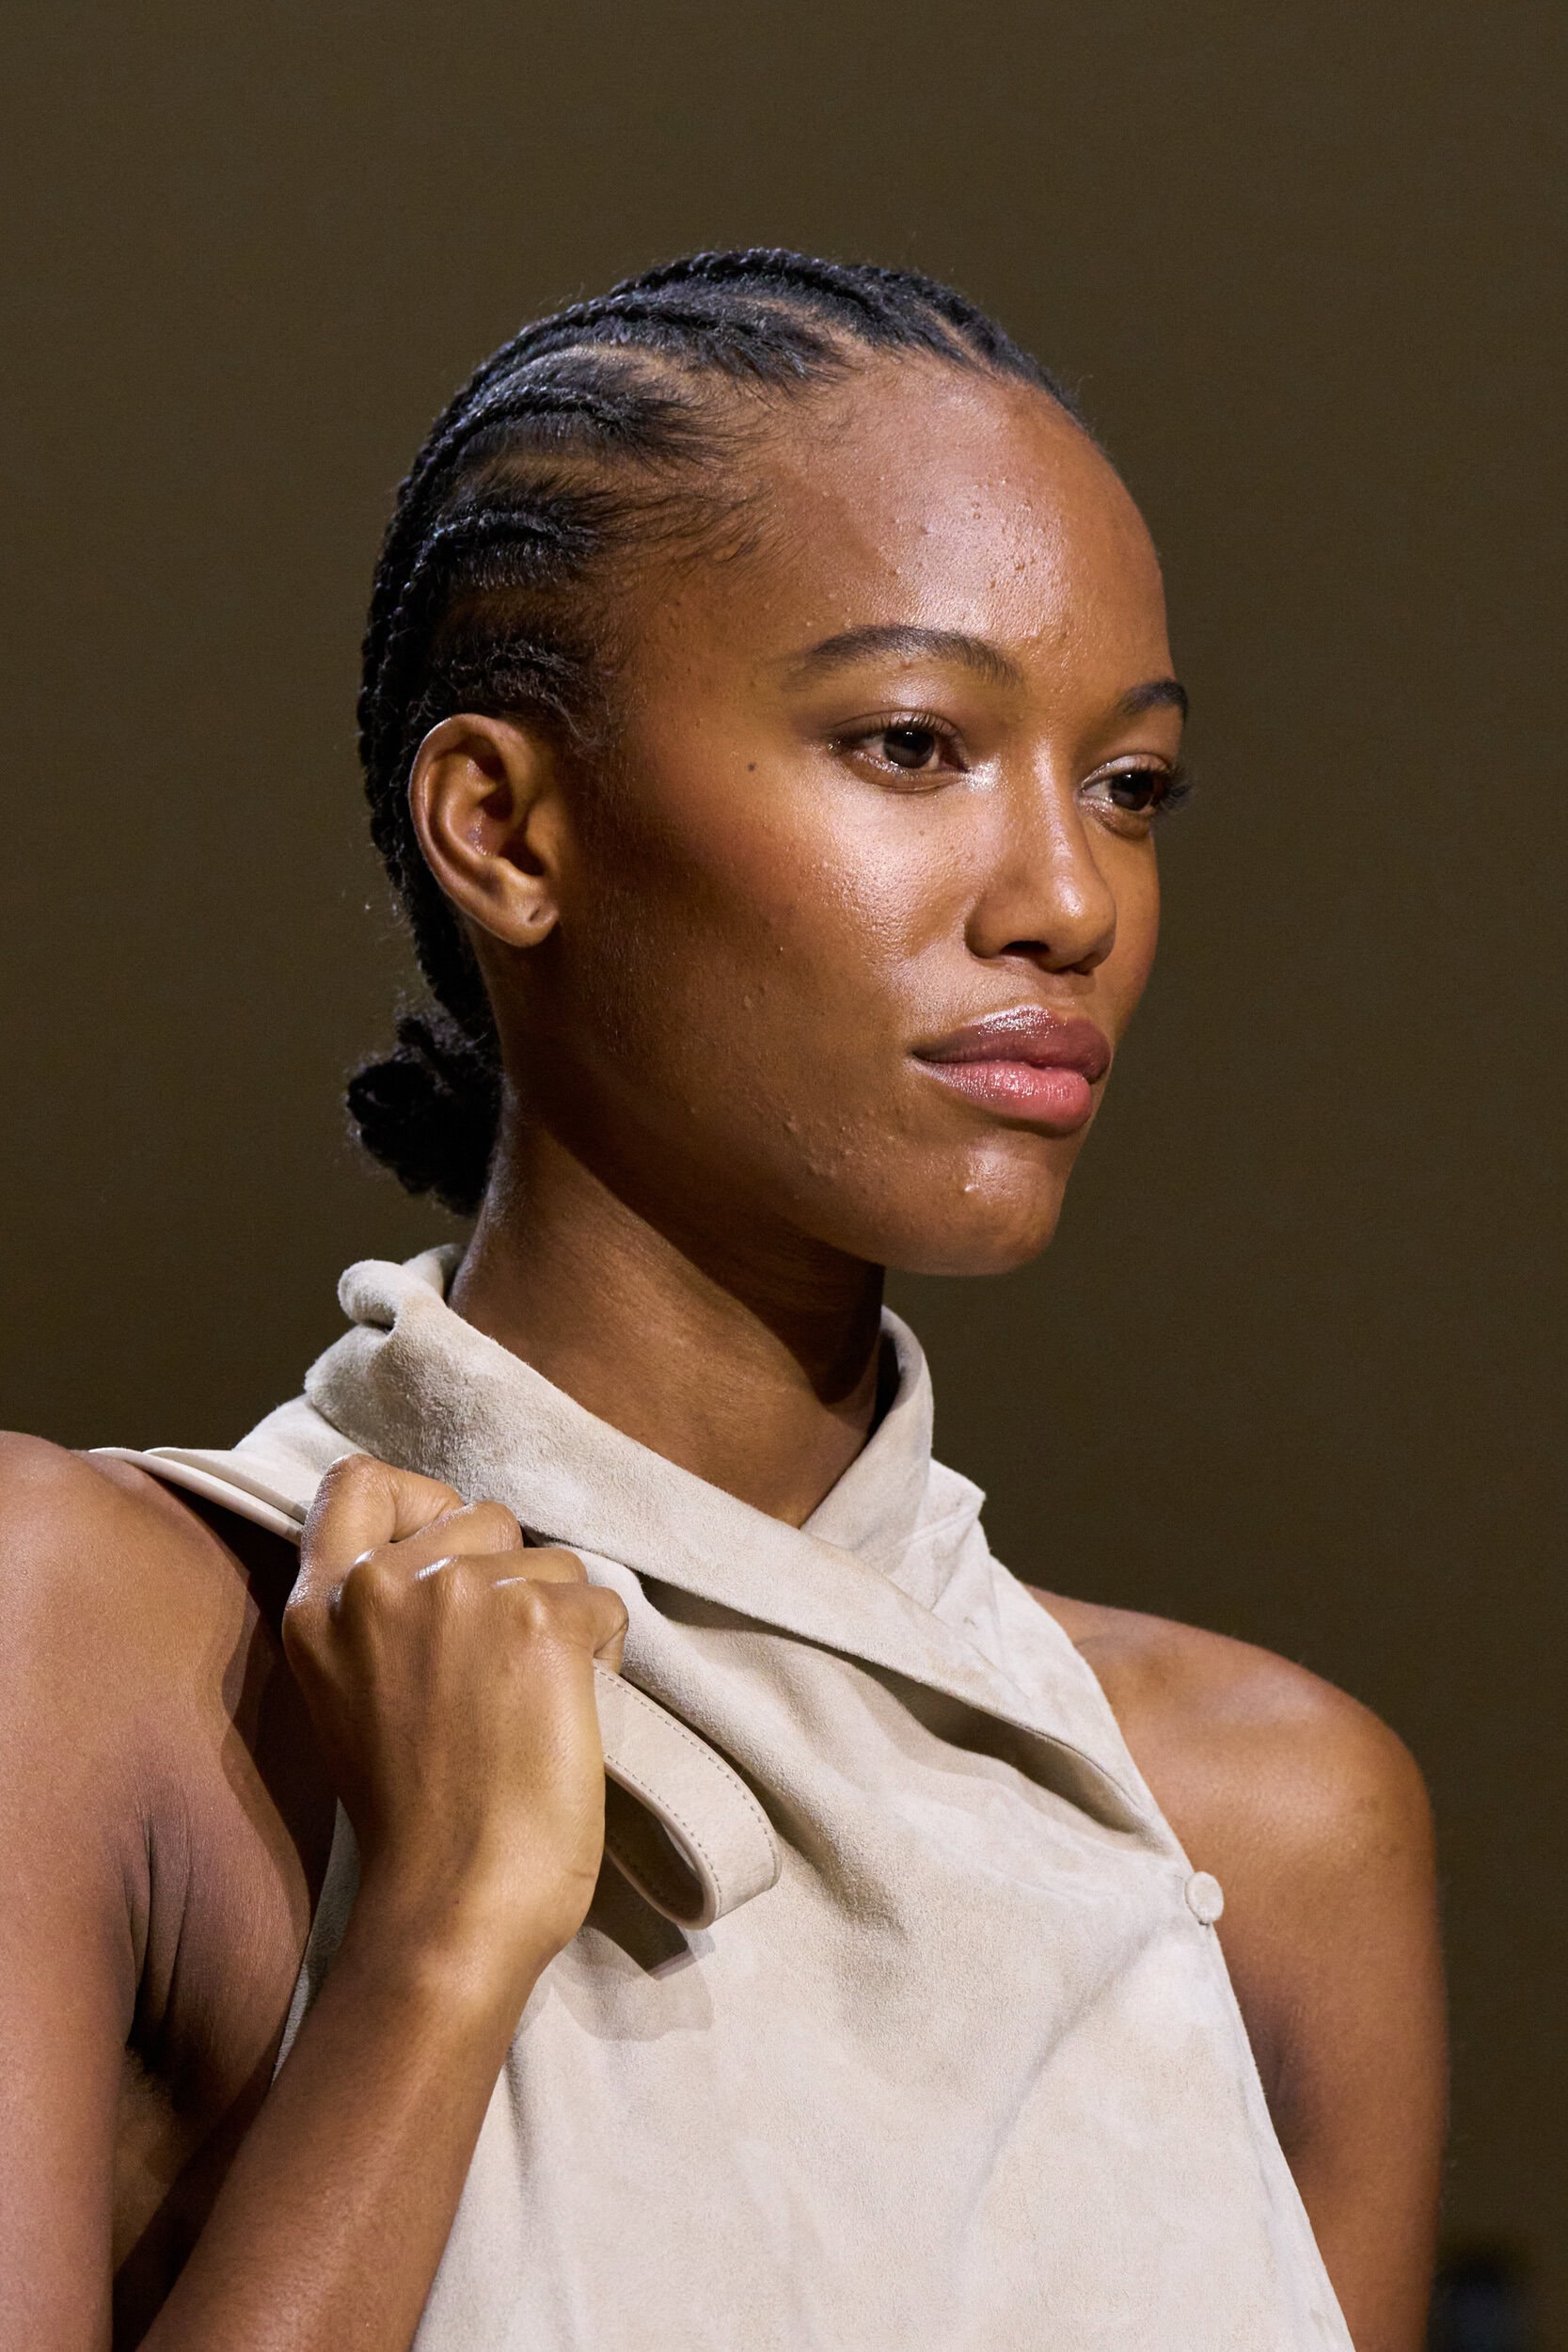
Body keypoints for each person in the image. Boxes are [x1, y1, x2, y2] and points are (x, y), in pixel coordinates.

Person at [0, 250, 1444, 2352]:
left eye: (1129, 785)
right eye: (914, 742)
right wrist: (429, 1958)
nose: (1070, 899)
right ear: (504, 827)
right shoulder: (104, 1647)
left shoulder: (1278, 1829)